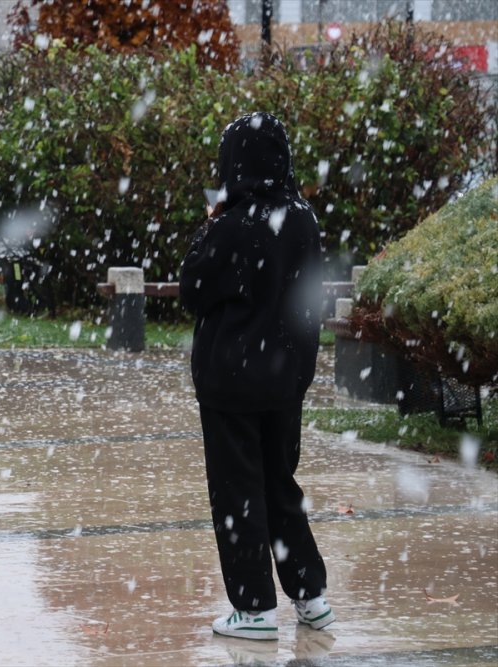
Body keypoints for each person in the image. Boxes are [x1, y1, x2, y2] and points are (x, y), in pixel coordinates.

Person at [179, 112, 334, 640]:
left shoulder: (233, 225)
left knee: (237, 491)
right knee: (279, 486)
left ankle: (254, 608)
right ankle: (310, 595)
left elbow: (193, 288)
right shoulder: (304, 220)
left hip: (231, 383)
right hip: (284, 382)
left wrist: (211, 223)